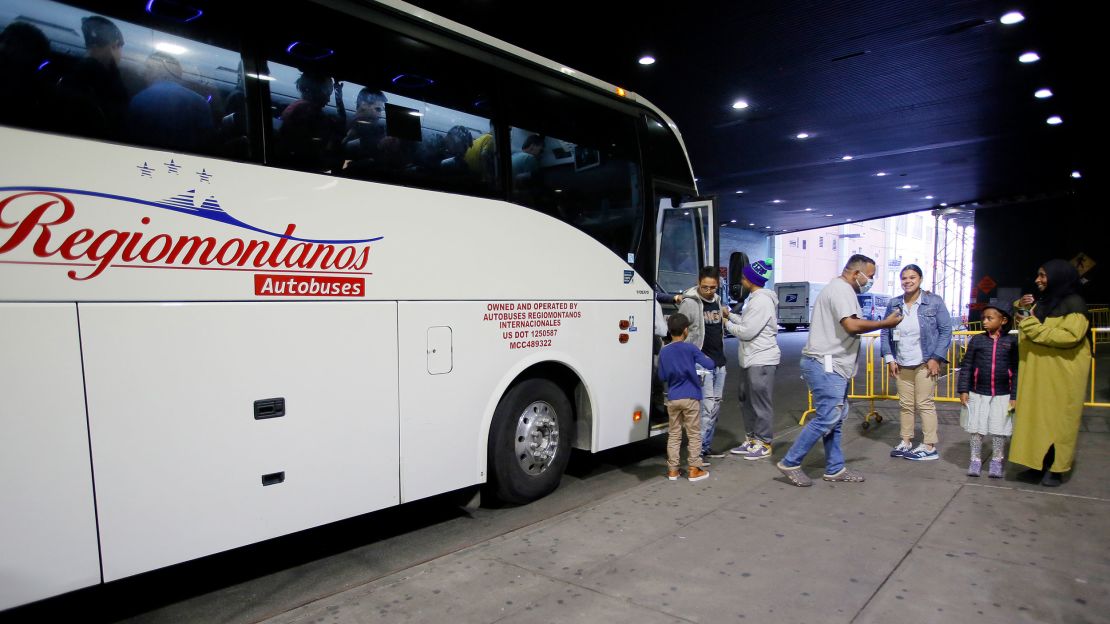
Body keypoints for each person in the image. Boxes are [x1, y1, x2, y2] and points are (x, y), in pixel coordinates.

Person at [776, 254, 903, 486]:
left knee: (835, 418)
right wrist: (885, 323)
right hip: (827, 364)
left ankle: (835, 468)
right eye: (870, 276)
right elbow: (851, 325)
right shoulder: (842, 290)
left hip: (833, 364)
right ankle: (790, 462)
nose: (871, 281)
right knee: (828, 417)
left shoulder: (840, 289)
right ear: (857, 274)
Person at [1009, 260, 1092, 487]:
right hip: (1039, 372)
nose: (1038, 280)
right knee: (1036, 419)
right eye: (1038, 275)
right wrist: (1021, 306)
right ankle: (1037, 465)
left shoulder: (1074, 304)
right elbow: (1028, 320)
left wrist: (1030, 325)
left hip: (1062, 375)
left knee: (1059, 422)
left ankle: (1056, 469)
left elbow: (1069, 337)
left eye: (1043, 275)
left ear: (1058, 277)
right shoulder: (1044, 301)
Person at [880, 264, 953, 461]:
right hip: (902, 362)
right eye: (904, 278)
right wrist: (890, 358)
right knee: (905, 404)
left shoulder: (933, 302)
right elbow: (886, 330)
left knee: (924, 403)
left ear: (920, 279)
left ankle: (929, 445)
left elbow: (946, 331)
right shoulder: (894, 304)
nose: (907, 281)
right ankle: (906, 441)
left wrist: (936, 357)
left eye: (912, 277)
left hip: (925, 362)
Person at [725, 258, 780, 460]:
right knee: (745, 400)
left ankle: (764, 442)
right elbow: (747, 323)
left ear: (750, 279)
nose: (741, 279)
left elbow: (747, 332)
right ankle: (752, 439)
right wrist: (729, 315)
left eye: (743, 276)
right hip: (750, 359)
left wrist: (726, 324)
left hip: (762, 359)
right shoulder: (755, 300)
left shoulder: (762, 301)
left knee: (760, 402)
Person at [957, 302, 1018, 478]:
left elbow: (1016, 370)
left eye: (990, 318)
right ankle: (975, 460)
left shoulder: (1011, 342)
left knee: (1000, 430)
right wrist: (964, 390)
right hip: (978, 393)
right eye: (983, 317)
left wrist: (1014, 395)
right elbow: (967, 365)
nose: (984, 321)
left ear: (1003, 320)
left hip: (1003, 394)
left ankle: (997, 461)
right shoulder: (977, 340)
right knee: (976, 429)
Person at [677, 266, 729, 463]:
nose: (709, 291)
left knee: (714, 407)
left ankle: (705, 447)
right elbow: (680, 332)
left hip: (719, 362)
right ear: (699, 282)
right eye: (705, 287)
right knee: (705, 409)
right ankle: (696, 453)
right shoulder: (690, 303)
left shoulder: (716, 300)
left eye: (713, 287)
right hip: (701, 365)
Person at [657, 314, 713, 482]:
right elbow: (710, 365)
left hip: (673, 398)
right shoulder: (690, 349)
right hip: (691, 396)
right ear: (686, 330)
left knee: (674, 434)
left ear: (669, 330)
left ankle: (673, 470)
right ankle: (694, 469)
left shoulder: (664, 351)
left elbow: (662, 376)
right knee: (694, 433)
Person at [57, 15, 129, 139]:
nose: (121, 54)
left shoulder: (70, 76)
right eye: (120, 48)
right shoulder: (110, 85)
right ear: (114, 45)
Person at [127, 52, 213, 151]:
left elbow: (130, 138)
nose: (144, 73)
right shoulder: (199, 102)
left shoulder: (138, 100)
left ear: (152, 71)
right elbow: (207, 143)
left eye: (147, 69)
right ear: (178, 73)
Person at [278, 71, 346, 172]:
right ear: (315, 90)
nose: (328, 100)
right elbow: (339, 126)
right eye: (327, 93)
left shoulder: (298, 106)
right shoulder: (308, 111)